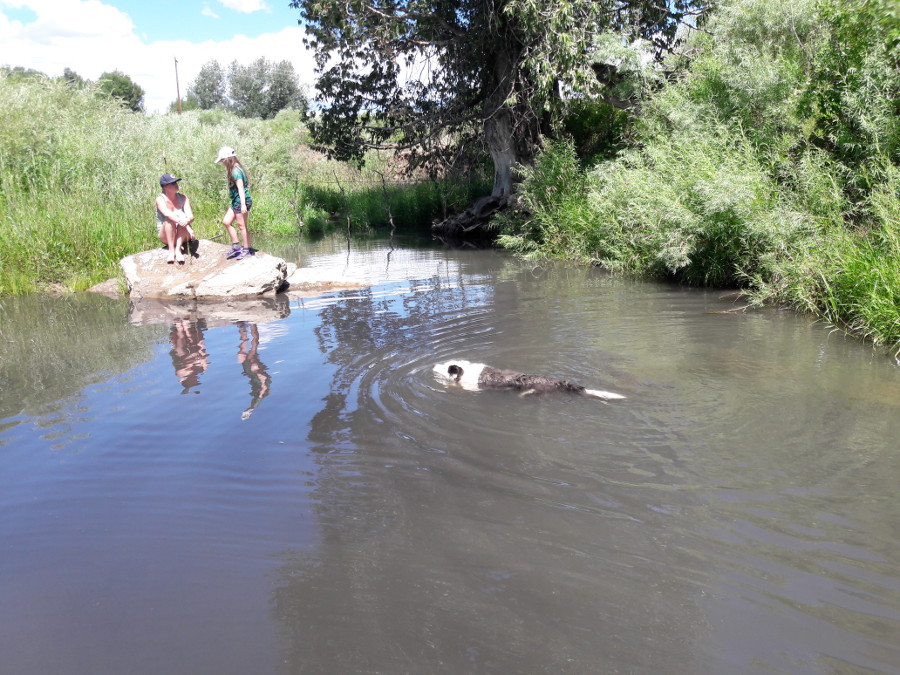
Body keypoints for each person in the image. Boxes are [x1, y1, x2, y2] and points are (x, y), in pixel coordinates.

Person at [214, 146, 253, 260]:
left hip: (241, 201)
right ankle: (236, 246)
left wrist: (243, 204)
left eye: (222, 160)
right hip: (236, 201)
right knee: (226, 221)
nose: (222, 163)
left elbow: (241, 188)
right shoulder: (234, 169)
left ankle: (246, 249)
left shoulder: (236, 171)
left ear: (227, 159)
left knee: (242, 226)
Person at [155, 173, 195, 264]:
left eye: (176, 182)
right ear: (165, 187)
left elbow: (191, 216)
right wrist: (187, 226)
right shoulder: (160, 199)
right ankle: (171, 250)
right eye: (173, 183)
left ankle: (178, 250)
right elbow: (167, 214)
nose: (176, 185)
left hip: (183, 234)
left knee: (184, 220)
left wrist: (187, 222)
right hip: (166, 234)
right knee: (170, 220)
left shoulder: (183, 198)